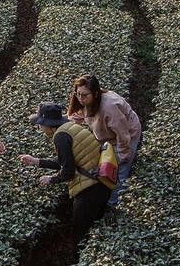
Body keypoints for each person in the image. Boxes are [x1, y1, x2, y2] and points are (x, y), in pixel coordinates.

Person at [18, 101, 117, 242]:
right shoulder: (70, 128)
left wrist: (51, 179)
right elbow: (66, 161)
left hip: (90, 188)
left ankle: (77, 262)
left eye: (40, 124)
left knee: (80, 232)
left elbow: (68, 171)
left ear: (49, 124)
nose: (39, 127)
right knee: (96, 227)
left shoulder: (61, 137)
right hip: (100, 183)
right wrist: (36, 161)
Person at [66, 74, 141, 208]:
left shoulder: (109, 107)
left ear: (95, 93)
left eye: (84, 95)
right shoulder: (85, 102)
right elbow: (77, 116)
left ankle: (113, 205)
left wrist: (123, 155)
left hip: (127, 134)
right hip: (106, 136)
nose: (80, 98)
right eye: (78, 94)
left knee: (119, 172)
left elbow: (123, 135)